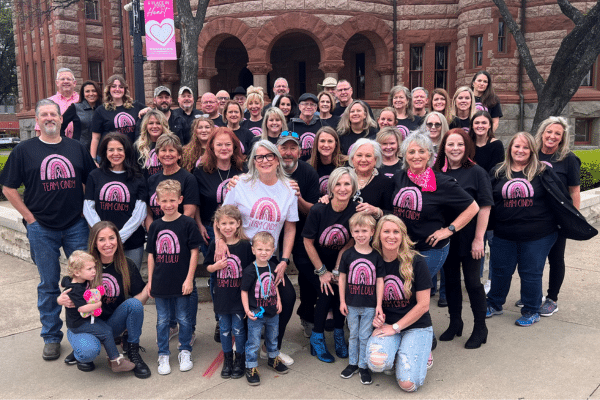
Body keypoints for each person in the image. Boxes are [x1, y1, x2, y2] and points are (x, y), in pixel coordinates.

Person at [0, 99, 96, 361]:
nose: (50, 118)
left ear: (61, 119)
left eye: (53, 113)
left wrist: (84, 212)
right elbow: (8, 188)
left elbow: (92, 181)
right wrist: (30, 218)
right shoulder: (24, 150)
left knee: (85, 280)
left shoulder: (77, 148)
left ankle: (89, 328)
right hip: (41, 228)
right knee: (48, 284)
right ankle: (52, 336)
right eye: (44, 114)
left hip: (75, 225)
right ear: (37, 121)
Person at [221, 140, 299, 365]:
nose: (264, 160)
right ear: (253, 161)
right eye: (259, 157)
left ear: (277, 159)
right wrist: (220, 241)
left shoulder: (288, 188)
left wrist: (284, 259)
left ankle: (271, 347)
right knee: (245, 296)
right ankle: (243, 345)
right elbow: (224, 215)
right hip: (244, 251)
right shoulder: (241, 183)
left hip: (269, 254)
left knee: (287, 297)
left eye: (269, 156)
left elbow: (291, 226)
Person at [390, 133, 479, 310]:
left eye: (421, 151)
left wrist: (449, 230)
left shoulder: (442, 182)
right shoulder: (399, 177)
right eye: (411, 152)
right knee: (404, 291)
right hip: (404, 248)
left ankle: (421, 332)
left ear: (430, 155)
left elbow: (473, 207)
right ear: (405, 156)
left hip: (430, 249)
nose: (416, 156)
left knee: (413, 291)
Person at [485, 132, 566, 326]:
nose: (520, 150)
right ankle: (494, 304)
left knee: (530, 272)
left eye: (525, 147)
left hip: (538, 234)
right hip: (503, 233)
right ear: (510, 149)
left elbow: (560, 196)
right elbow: (487, 200)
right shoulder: (498, 171)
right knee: (500, 270)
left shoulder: (542, 171)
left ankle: (531, 309)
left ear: (532, 151)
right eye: (516, 146)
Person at [58, 221, 151, 378]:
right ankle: (81, 350)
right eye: (101, 239)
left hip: (110, 325)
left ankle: (133, 352)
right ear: (94, 242)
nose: (108, 244)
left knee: (134, 304)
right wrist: (60, 298)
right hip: (85, 324)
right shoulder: (87, 264)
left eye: (112, 238)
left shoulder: (126, 265)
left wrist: (150, 288)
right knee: (89, 352)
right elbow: (68, 281)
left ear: (118, 240)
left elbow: (138, 298)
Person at [433, 129, 492, 349]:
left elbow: (484, 207)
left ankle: (480, 328)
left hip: (470, 238)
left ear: (467, 146)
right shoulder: (436, 171)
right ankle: (455, 322)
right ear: (444, 147)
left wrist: (479, 239)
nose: (455, 148)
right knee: (450, 282)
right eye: (450, 144)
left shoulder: (477, 172)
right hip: (445, 237)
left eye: (459, 144)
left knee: (473, 282)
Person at [366, 215, 433, 392]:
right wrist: (375, 318)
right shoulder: (372, 261)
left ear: (403, 235)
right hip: (388, 324)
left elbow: (423, 305)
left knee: (408, 385)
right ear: (378, 235)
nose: (391, 236)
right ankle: (402, 350)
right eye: (386, 231)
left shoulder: (416, 261)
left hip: (416, 325)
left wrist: (395, 327)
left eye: (396, 232)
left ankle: (422, 349)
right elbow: (368, 298)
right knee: (377, 363)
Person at [303, 167, 358, 363]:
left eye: (347, 184)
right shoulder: (319, 209)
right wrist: (322, 272)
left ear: (353, 187)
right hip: (311, 258)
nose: (342, 188)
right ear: (330, 187)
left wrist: (336, 269)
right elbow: (307, 242)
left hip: (337, 259)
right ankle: (317, 338)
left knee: (339, 288)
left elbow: (351, 240)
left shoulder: (355, 209)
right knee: (326, 290)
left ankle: (337, 335)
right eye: (338, 184)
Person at [147, 179, 201, 375]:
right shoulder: (155, 226)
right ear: (158, 202)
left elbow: (195, 252)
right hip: (161, 282)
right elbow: (151, 254)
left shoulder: (188, 223)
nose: (168, 205)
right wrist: (151, 281)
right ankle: (163, 354)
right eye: (164, 201)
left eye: (172, 200)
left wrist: (189, 279)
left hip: (181, 282)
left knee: (184, 319)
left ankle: (185, 350)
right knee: (162, 320)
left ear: (180, 199)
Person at [530, 117, 581, 316]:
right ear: (542, 133)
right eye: (549, 132)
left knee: (556, 258)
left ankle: (552, 299)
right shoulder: (531, 154)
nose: (552, 136)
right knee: (533, 258)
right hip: (534, 217)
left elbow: (575, 191)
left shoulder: (568, 159)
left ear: (562, 138)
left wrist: (573, 218)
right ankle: (534, 294)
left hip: (558, 218)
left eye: (557, 134)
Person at [60, 251, 136, 373]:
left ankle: (113, 359)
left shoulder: (79, 280)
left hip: (86, 320)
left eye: (94, 267)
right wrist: (98, 303)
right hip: (78, 324)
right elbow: (82, 309)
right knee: (105, 332)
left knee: (107, 329)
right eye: (89, 268)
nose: (94, 271)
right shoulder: (75, 290)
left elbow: (64, 280)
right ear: (77, 272)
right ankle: (115, 361)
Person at [276, 132, 321, 338]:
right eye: (284, 148)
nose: (288, 152)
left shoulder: (308, 172)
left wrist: (298, 196)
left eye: (292, 148)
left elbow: (312, 210)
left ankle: (307, 316)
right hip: (273, 231)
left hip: (302, 230)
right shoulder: (269, 169)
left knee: (307, 272)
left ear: (300, 151)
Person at [84, 133, 147, 270]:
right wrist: (104, 235)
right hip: (102, 244)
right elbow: (88, 207)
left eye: (120, 149)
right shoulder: (95, 175)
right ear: (105, 152)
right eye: (111, 150)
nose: (115, 153)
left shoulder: (138, 178)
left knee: (130, 284)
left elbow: (140, 212)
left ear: (126, 151)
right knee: (103, 284)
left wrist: (118, 238)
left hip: (132, 242)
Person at [205, 205, 253, 379]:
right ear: (217, 225)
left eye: (231, 222)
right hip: (222, 296)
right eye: (223, 223)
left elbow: (251, 270)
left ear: (238, 223)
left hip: (239, 297)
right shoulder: (215, 246)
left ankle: (239, 359)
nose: (227, 227)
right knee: (225, 329)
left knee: (238, 329)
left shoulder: (246, 246)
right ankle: (228, 360)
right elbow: (207, 267)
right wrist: (215, 266)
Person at [338, 213, 384, 385]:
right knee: (353, 334)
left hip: (370, 305)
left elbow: (380, 280)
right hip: (351, 303)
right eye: (356, 231)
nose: (360, 234)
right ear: (351, 232)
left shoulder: (376, 256)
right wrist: (342, 301)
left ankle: (363, 366)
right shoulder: (348, 255)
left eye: (364, 230)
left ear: (372, 232)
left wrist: (379, 304)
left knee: (365, 335)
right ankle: (352, 363)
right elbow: (342, 278)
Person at [241, 232, 289, 385]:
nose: (263, 253)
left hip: (272, 311)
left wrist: (279, 300)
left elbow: (274, 286)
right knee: (254, 342)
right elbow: (243, 291)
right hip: (256, 313)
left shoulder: (272, 266)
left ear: (273, 250)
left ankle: (273, 358)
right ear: (253, 250)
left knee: (272, 338)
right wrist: (247, 310)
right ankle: (251, 366)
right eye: (260, 249)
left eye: (267, 250)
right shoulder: (250, 270)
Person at [194, 127, 246, 257]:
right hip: (210, 229)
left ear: (234, 147)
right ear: (211, 147)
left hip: (239, 229)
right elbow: (196, 202)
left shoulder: (244, 170)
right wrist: (200, 226)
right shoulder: (201, 171)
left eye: (228, 144)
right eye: (219, 144)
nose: (224, 148)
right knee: (216, 272)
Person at [90, 75, 145, 160]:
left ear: (125, 89)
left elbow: (155, 113)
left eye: (121, 87)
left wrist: (147, 110)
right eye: (113, 86)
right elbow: (95, 138)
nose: (117, 89)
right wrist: (93, 159)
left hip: (131, 155)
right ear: (108, 89)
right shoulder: (101, 110)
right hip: (109, 156)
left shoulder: (136, 106)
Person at [347, 138, 393, 217]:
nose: (363, 160)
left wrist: (376, 211)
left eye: (368, 156)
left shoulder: (385, 182)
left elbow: (391, 214)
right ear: (352, 158)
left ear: (375, 160)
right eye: (359, 155)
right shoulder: (344, 176)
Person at [35, 68, 79, 137]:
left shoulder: (81, 101)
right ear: (57, 83)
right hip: (55, 144)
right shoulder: (48, 102)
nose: (66, 81)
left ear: (74, 83)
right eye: (62, 79)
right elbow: (39, 129)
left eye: (69, 79)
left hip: (79, 144)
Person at [308, 126, 348, 196]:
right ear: (316, 143)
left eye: (330, 141)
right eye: (322, 141)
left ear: (335, 144)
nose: (326, 145)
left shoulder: (346, 164)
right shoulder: (308, 166)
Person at [61, 80, 101, 150]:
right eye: (87, 91)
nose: (91, 94)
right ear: (83, 94)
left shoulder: (103, 109)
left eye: (94, 91)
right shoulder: (75, 107)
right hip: (80, 149)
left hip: (100, 150)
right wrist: (66, 143)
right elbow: (60, 125)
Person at [134, 110, 172, 180]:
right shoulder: (138, 146)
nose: (154, 126)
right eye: (151, 123)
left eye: (158, 123)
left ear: (163, 125)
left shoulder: (172, 144)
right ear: (146, 126)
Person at [290, 93, 324, 161]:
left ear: (316, 108)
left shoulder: (323, 125)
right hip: (298, 164)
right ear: (299, 106)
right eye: (305, 104)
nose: (308, 107)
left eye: (312, 104)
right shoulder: (291, 126)